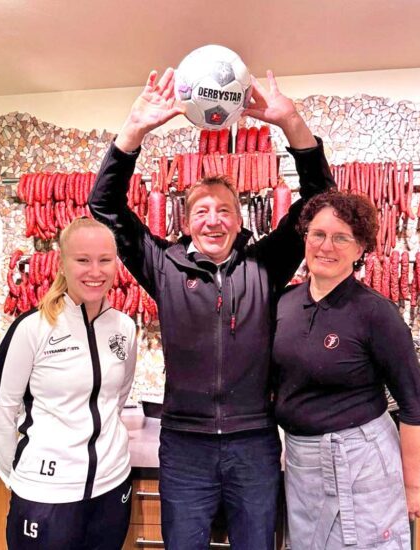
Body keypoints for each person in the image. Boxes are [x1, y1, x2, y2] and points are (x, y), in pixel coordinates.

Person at [88, 67, 335, 549]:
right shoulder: (164, 266)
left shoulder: (264, 265)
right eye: (201, 211)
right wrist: (133, 130)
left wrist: (292, 123)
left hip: (253, 442)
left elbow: (321, 202)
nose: (213, 220)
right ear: (187, 223)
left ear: (240, 220)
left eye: (224, 210)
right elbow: (106, 207)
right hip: (185, 445)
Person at [273, 191, 420, 549]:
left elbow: (415, 406)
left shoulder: (376, 313)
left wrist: (411, 487)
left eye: (341, 238)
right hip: (300, 461)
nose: (326, 246)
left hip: (360, 461)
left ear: (360, 248)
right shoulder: (284, 303)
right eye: (318, 234)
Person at [0, 217, 138, 550]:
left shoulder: (124, 327)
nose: (95, 271)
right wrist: (18, 476)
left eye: (104, 260)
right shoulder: (32, 328)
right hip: (46, 495)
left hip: (112, 488)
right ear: (63, 264)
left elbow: (117, 397)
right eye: (82, 260)